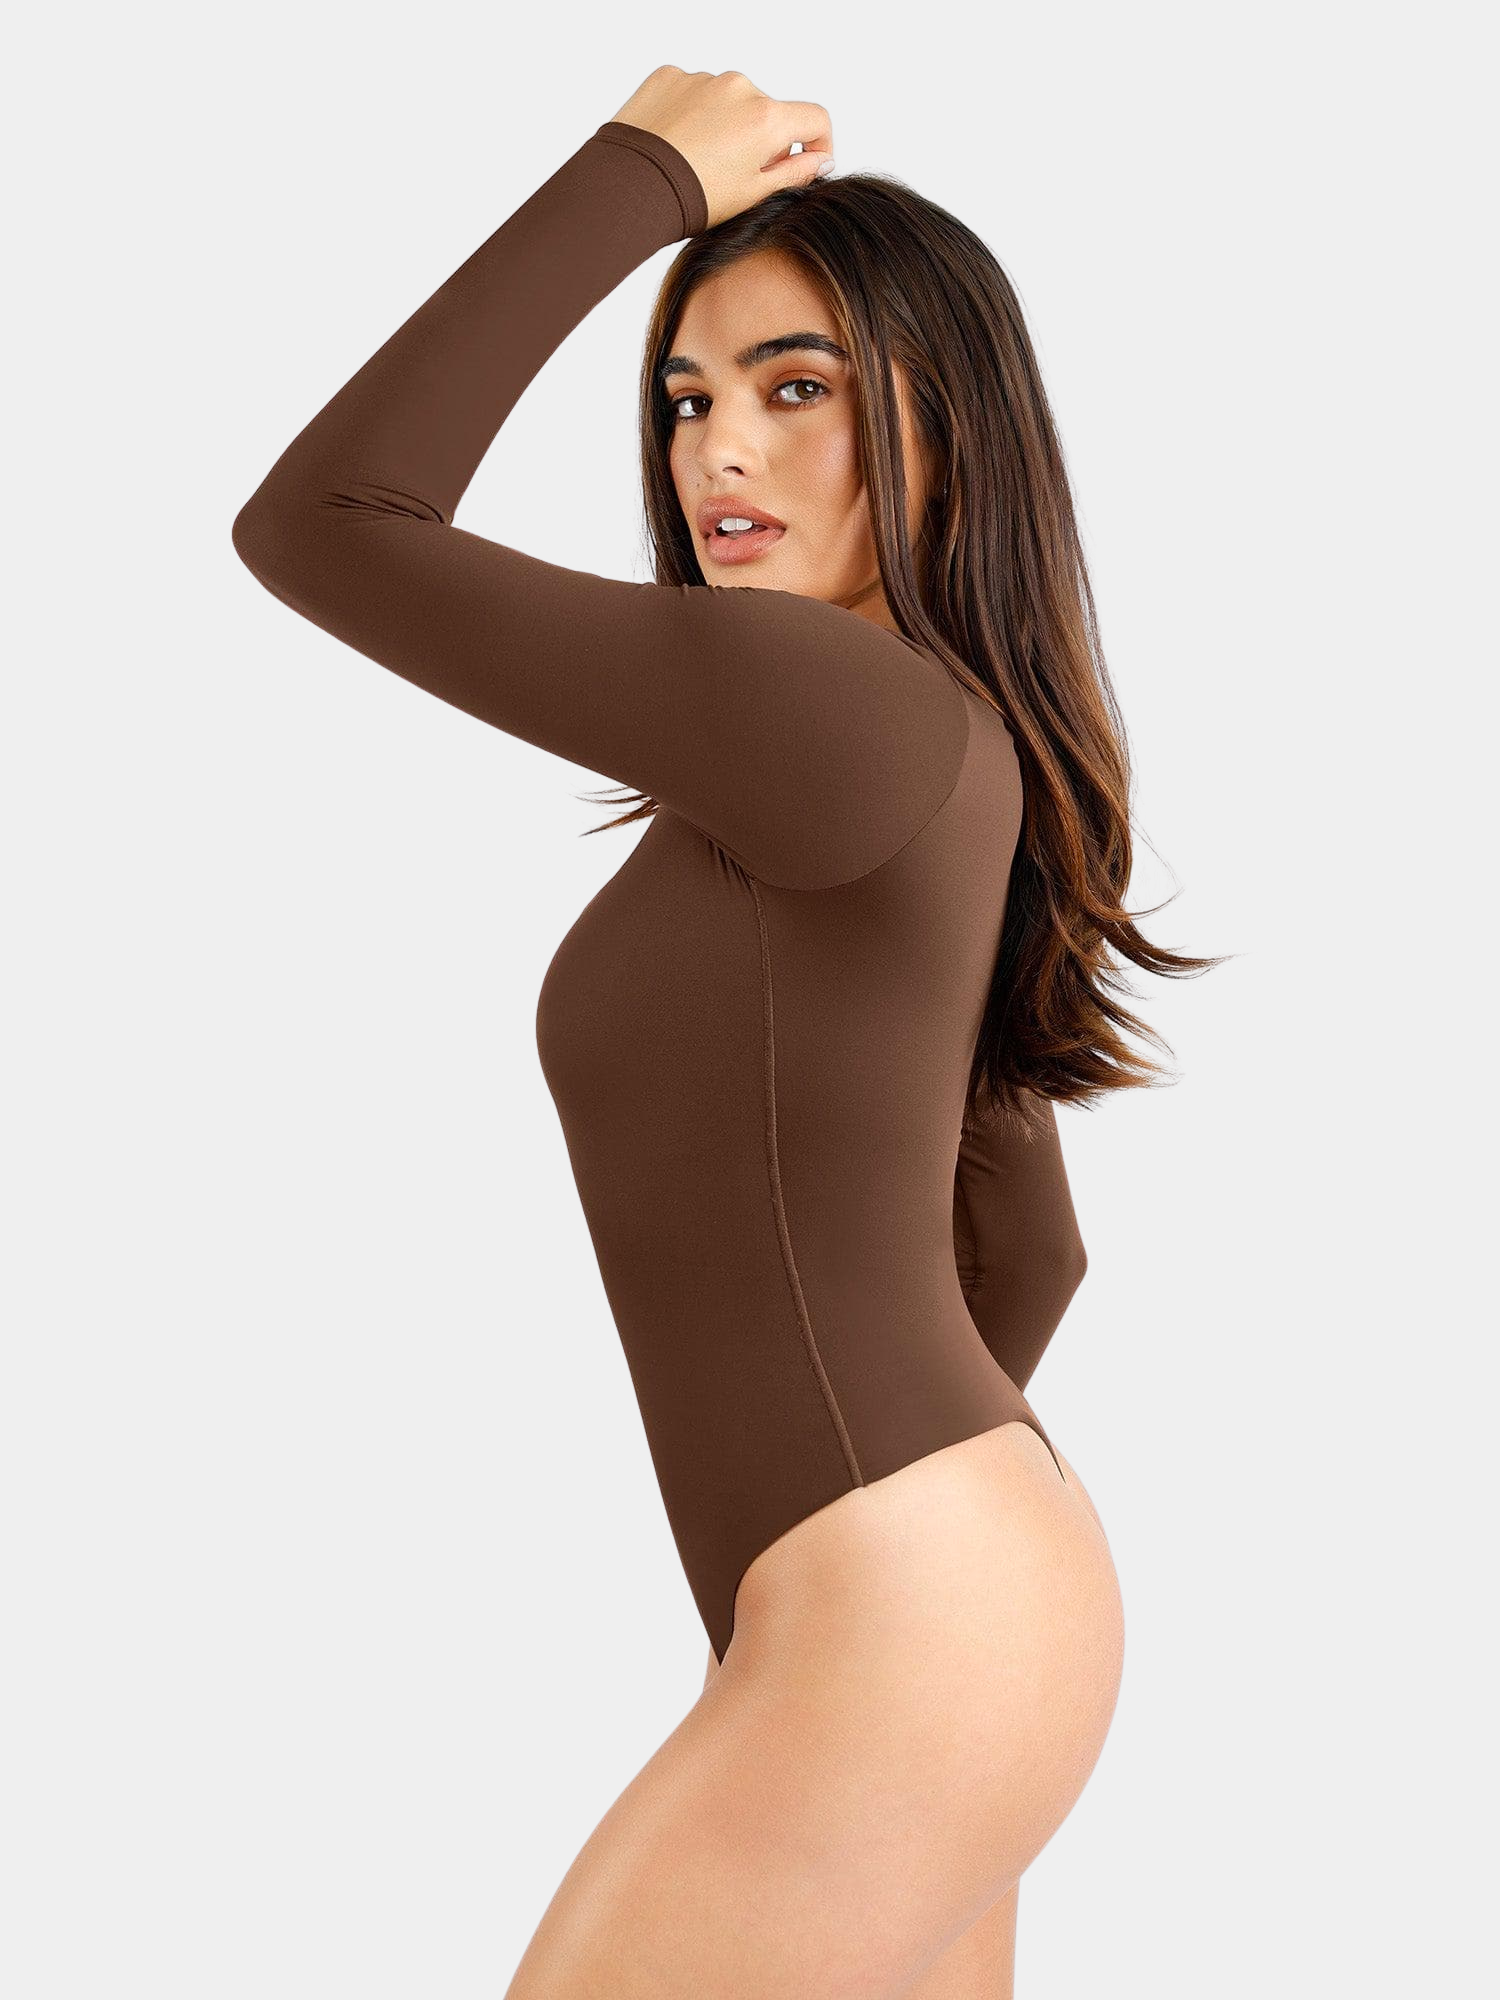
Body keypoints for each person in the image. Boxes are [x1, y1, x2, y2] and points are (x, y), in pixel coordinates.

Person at [232, 63, 1215, 2000]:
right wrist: (852, 1582)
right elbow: (1028, 1246)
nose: (719, 453)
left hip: (913, 1619)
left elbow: (326, 521)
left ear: (948, 422)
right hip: (961, 1599)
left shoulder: (821, 706)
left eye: (796, 386)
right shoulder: (930, 741)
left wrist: (640, 179)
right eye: (686, 399)